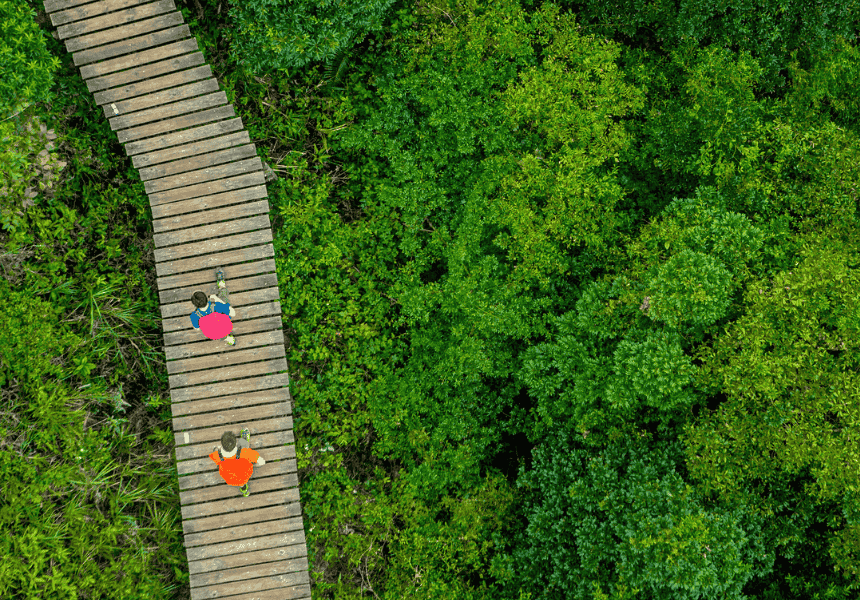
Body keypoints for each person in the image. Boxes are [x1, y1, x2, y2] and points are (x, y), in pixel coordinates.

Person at [209, 429, 266, 497]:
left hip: (230, 478)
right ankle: (244, 438)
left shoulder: (216, 455)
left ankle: (244, 490)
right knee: (243, 444)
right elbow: (262, 462)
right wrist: (254, 465)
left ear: (222, 445)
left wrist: (218, 450)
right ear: (236, 443)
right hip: (245, 474)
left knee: (239, 481)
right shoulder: (245, 452)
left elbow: (215, 459)